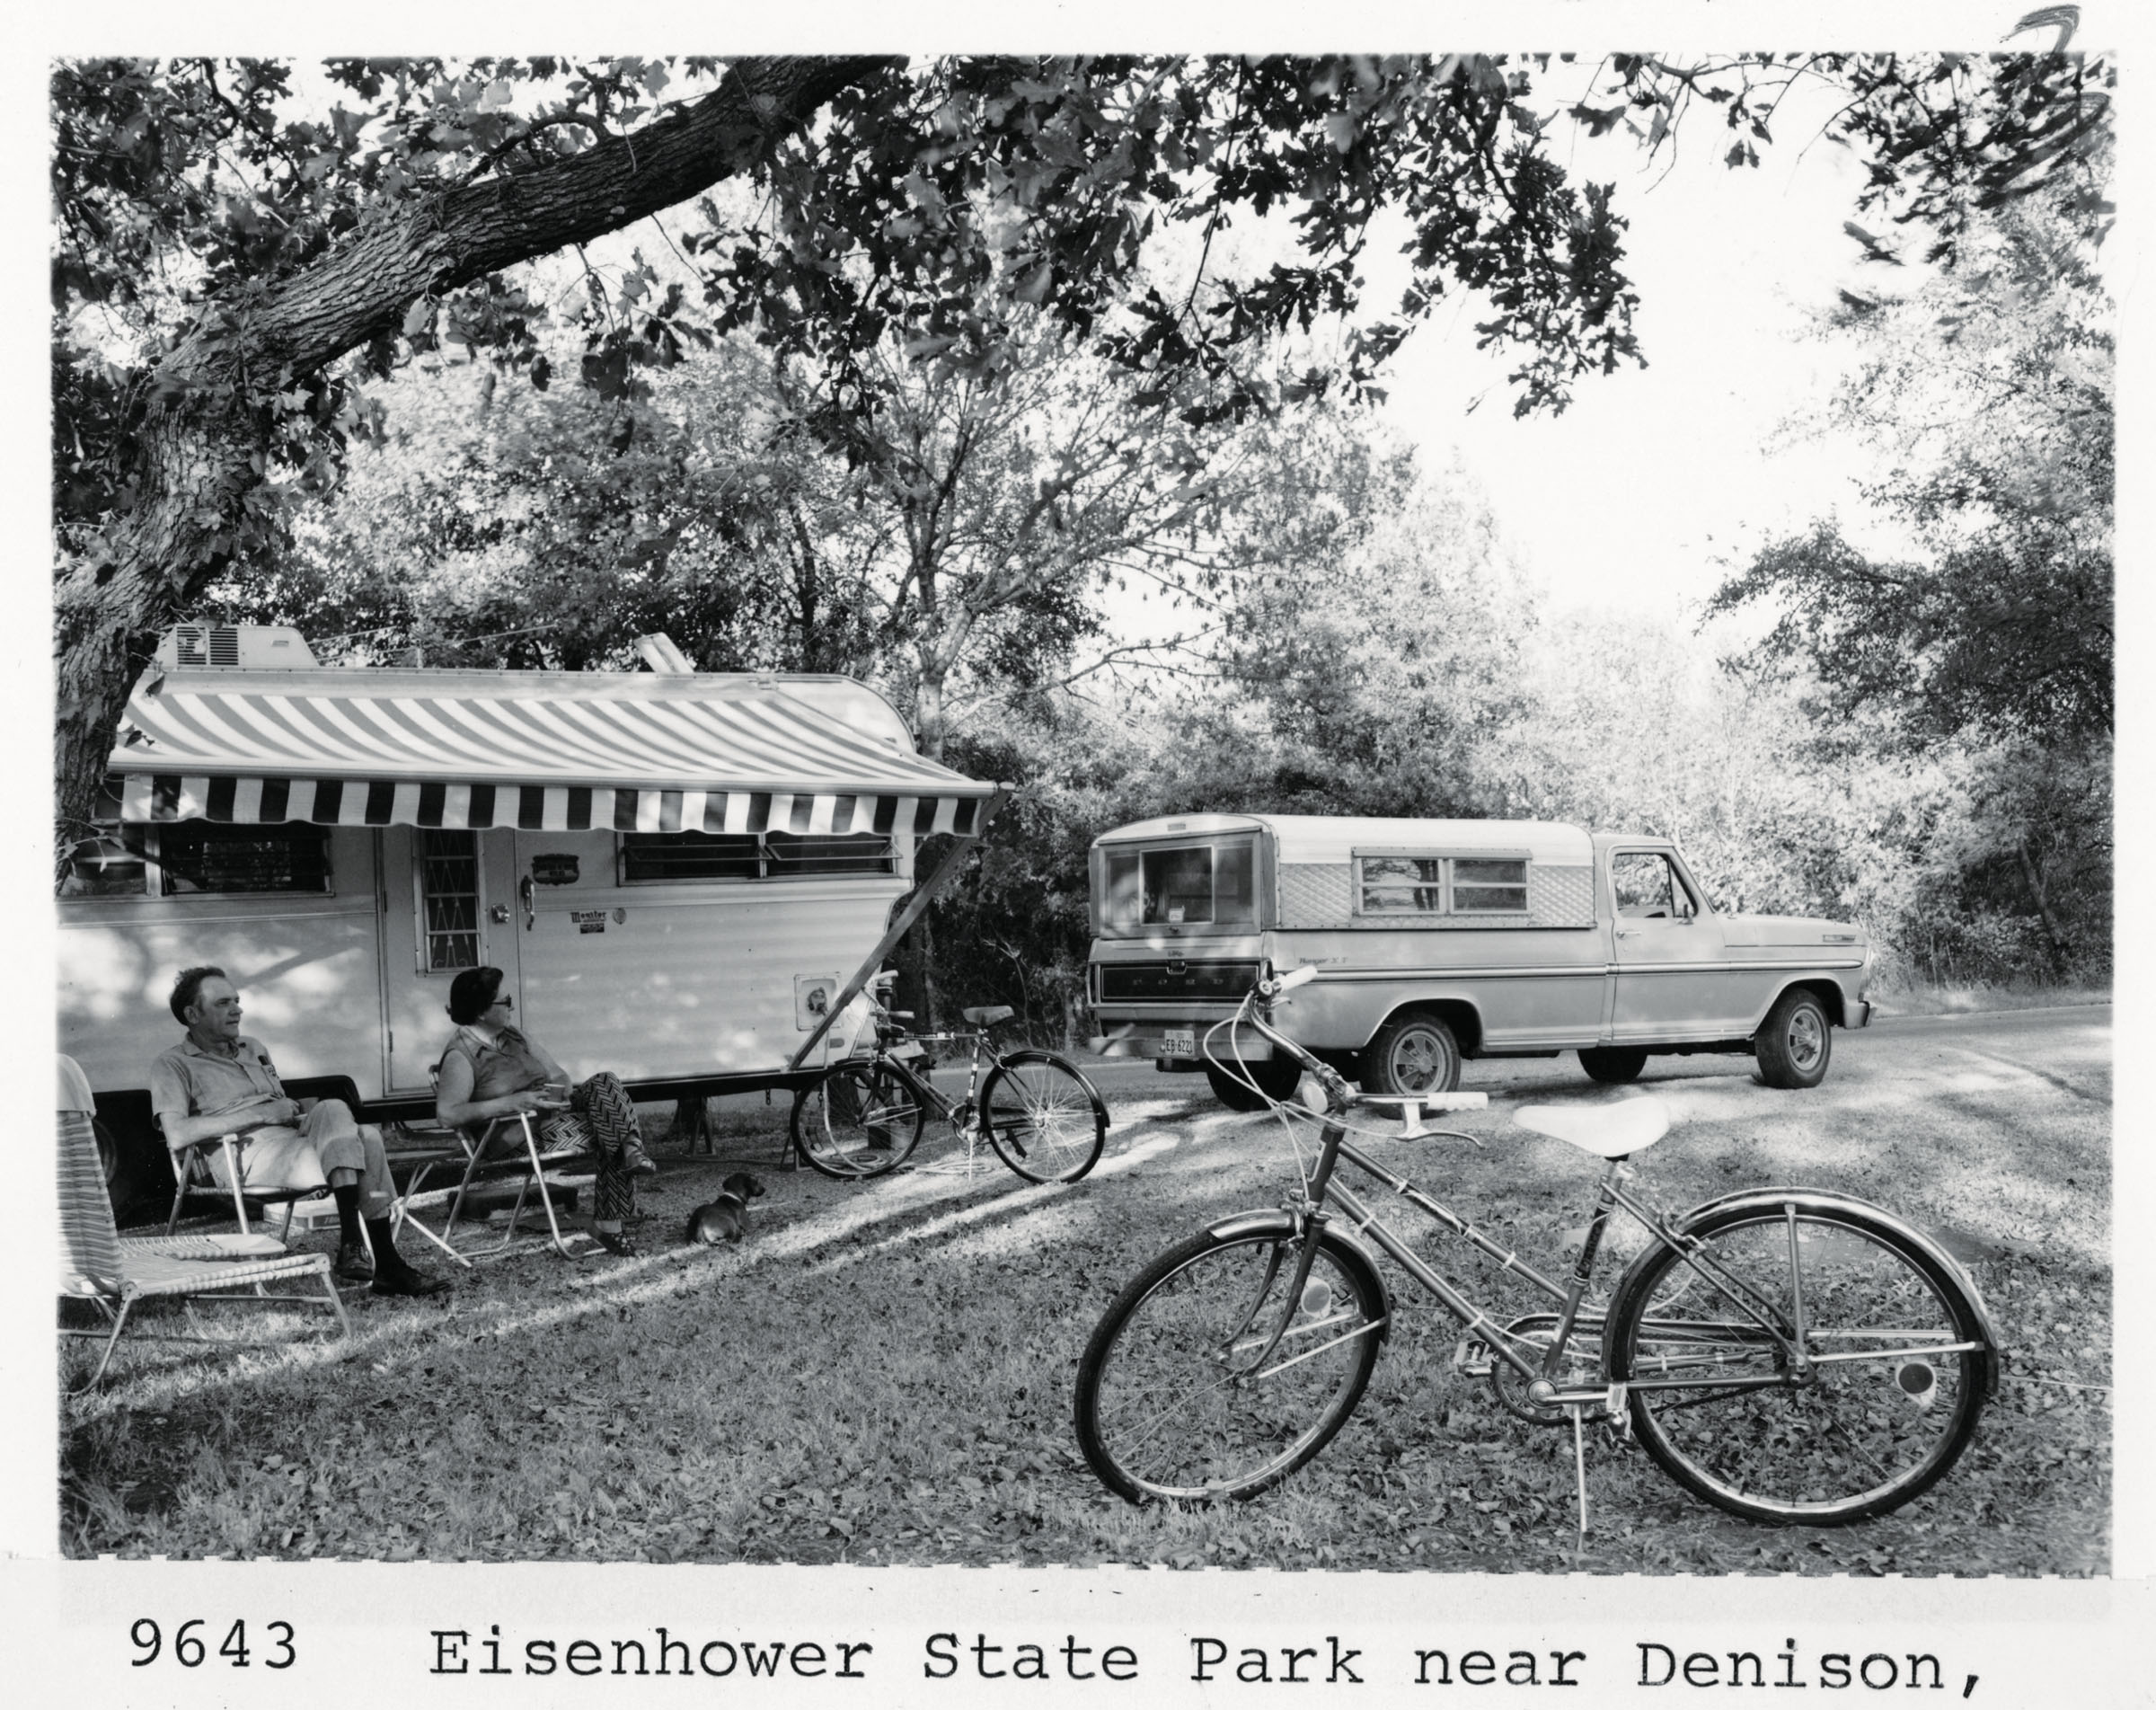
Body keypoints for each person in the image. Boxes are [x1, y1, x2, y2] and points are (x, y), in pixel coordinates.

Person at [149, 967, 449, 1297]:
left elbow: (280, 1104)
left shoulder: (253, 1047)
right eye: (223, 1003)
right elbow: (176, 1134)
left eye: (237, 1000)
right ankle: (384, 1262)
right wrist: (264, 1112)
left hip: (291, 1140)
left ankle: (354, 1242)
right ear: (192, 1014)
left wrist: (288, 1110)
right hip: (241, 1155)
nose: (238, 1009)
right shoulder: (172, 1064)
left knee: (337, 1110)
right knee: (366, 1140)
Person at [434, 967, 657, 1258]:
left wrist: (557, 1092)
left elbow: (558, 1074)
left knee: (606, 1081)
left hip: (549, 1116)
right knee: (609, 1127)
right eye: (506, 1001)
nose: (512, 1006)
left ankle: (630, 1151)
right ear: (481, 1012)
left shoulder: (513, 1035)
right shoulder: (461, 1056)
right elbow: (447, 1115)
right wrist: (513, 1102)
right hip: (512, 1137)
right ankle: (616, 1199)